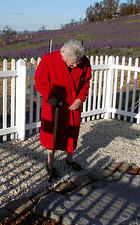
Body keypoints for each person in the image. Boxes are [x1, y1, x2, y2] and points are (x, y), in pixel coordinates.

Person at [34, 39, 92, 178]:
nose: (76, 64)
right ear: (64, 56)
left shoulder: (84, 61)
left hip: (72, 106)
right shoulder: (49, 60)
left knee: (71, 132)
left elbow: (85, 83)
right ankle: (50, 163)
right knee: (51, 136)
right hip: (54, 105)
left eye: (78, 61)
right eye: (73, 62)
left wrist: (80, 99)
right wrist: (49, 97)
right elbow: (40, 81)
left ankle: (69, 159)